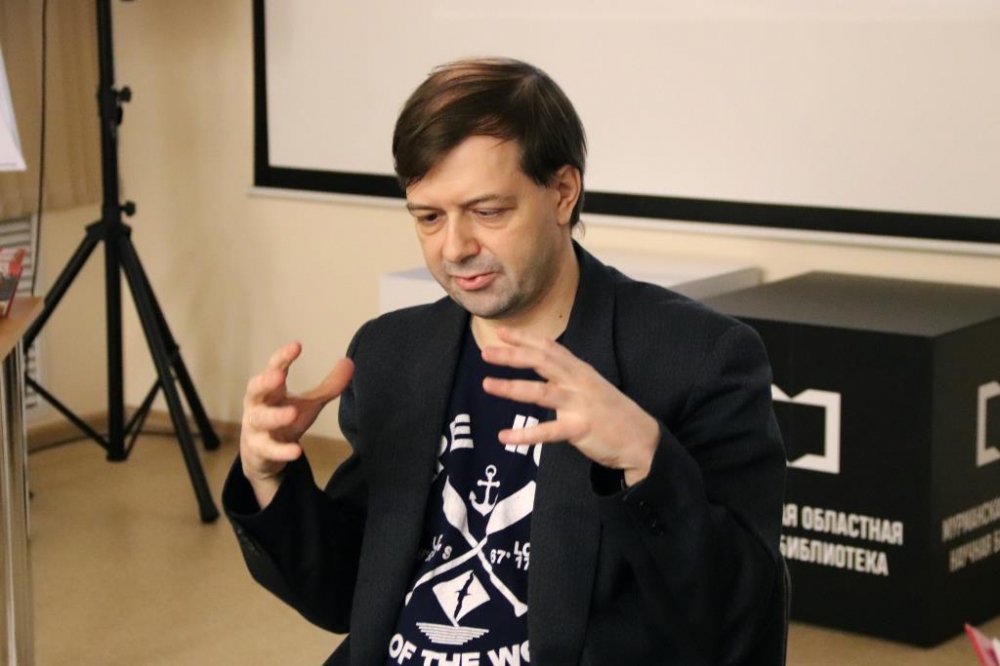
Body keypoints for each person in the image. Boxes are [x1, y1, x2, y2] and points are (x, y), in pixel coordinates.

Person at [224, 58, 787, 666]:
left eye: (488, 212)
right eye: (429, 217)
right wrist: (269, 476)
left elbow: (738, 624)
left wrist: (645, 458)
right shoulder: (390, 353)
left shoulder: (696, 358)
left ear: (563, 193)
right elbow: (347, 596)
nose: (455, 248)